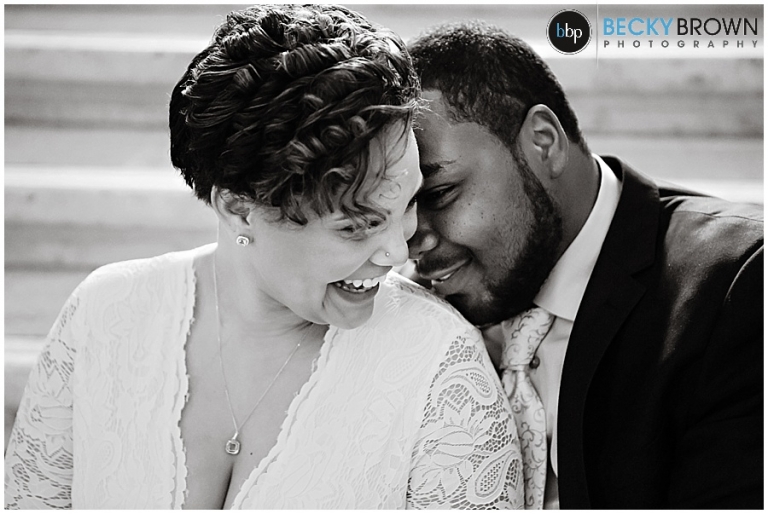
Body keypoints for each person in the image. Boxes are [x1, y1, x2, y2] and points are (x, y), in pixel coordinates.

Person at [4, 7, 525, 509]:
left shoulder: (441, 367)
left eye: (408, 203)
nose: (398, 251)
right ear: (238, 209)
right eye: (356, 226)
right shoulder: (103, 314)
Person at [406, 21, 763, 509]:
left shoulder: (739, 283)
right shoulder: (413, 315)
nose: (411, 242)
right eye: (395, 206)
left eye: (440, 193)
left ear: (543, 142)